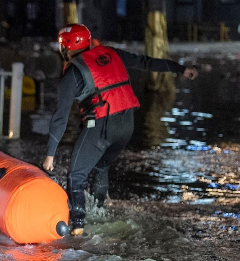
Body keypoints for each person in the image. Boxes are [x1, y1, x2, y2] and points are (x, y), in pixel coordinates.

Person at [42, 24, 198, 235]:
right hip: (127, 126)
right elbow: (145, 62)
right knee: (101, 166)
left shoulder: (72, 73)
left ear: (66, 48)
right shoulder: (110, 53)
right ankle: (100, 212)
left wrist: (50, 155)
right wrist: (180, 69)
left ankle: (77, 228)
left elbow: (60, 117)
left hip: (102, 126)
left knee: (76, 175)